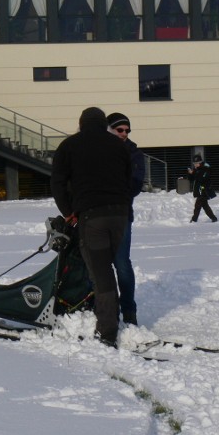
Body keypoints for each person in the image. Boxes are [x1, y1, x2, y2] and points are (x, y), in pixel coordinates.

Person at [51, 107, 131, 347]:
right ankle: (117, 316)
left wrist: (68, 213)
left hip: (92, 217)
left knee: (101, 273)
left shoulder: (69, 146)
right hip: (119, 216)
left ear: (81, 123)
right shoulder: (118, 145)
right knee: (110, 266)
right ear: (103, 123)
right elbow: (129, 177)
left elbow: (57, 182)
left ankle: (107, 332)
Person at [106, 112, 145, 326]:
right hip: (96, 216)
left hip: (121, 215)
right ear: (109, 129)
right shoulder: (98, 150)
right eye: (120, 130)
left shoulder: (134, 153)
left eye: (127, 131)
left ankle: (129, 310)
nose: (124, 134)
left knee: (121, 263)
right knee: (98, 265)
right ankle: (101, 308)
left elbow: (135, 185)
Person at [187, 154, 218, 223]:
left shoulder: (206, 169)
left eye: (196, 163)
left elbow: (202, 178)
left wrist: (194, 173)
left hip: (204, 190)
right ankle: (214, 218)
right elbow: (191, 179)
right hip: (199, 190)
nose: (195, 165)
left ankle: (194, 220)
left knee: (197, 205)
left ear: (200, 162)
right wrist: (190, 174)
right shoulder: (196, 169)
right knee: (205, 206)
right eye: (194, 163)